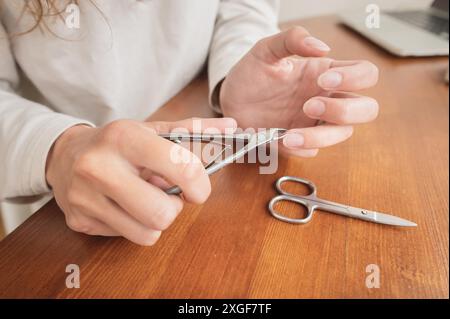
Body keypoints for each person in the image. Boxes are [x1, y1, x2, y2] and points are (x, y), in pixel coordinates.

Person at [0, 0, 379, 245]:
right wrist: (57, 148)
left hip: (204, 119)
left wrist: (236, 77)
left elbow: (241, 8)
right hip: (66, 204)